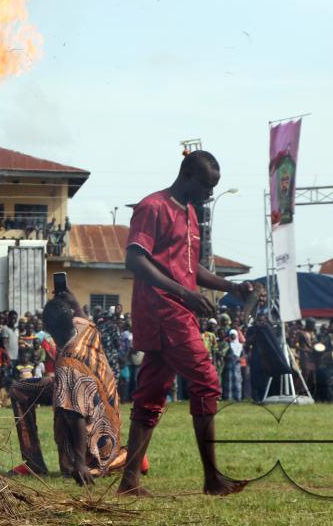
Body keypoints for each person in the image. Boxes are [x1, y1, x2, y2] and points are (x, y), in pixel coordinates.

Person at [117, 151, 256, 498]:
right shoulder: (153, 207)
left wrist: (232, 286)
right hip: (163, 311)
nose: (210, 193)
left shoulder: (191, 214)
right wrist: (184, 293)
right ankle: (212, 479)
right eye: (207, 186)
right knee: (207, 382)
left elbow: (191, 271)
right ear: (187, 175)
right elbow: (135, 259)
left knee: (150, 395)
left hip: (177, 309)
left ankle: (129, 481)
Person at [8, 291, 126, 482]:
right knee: (19, 389)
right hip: (97, 403)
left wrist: (79, 464)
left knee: (66, 410)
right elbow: (79, 311)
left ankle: (119, 459)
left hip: (98, 435)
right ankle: (33, 462)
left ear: (46, 327)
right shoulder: (85, 327)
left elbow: (75, 417)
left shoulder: (67, 367)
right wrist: (72, 299)